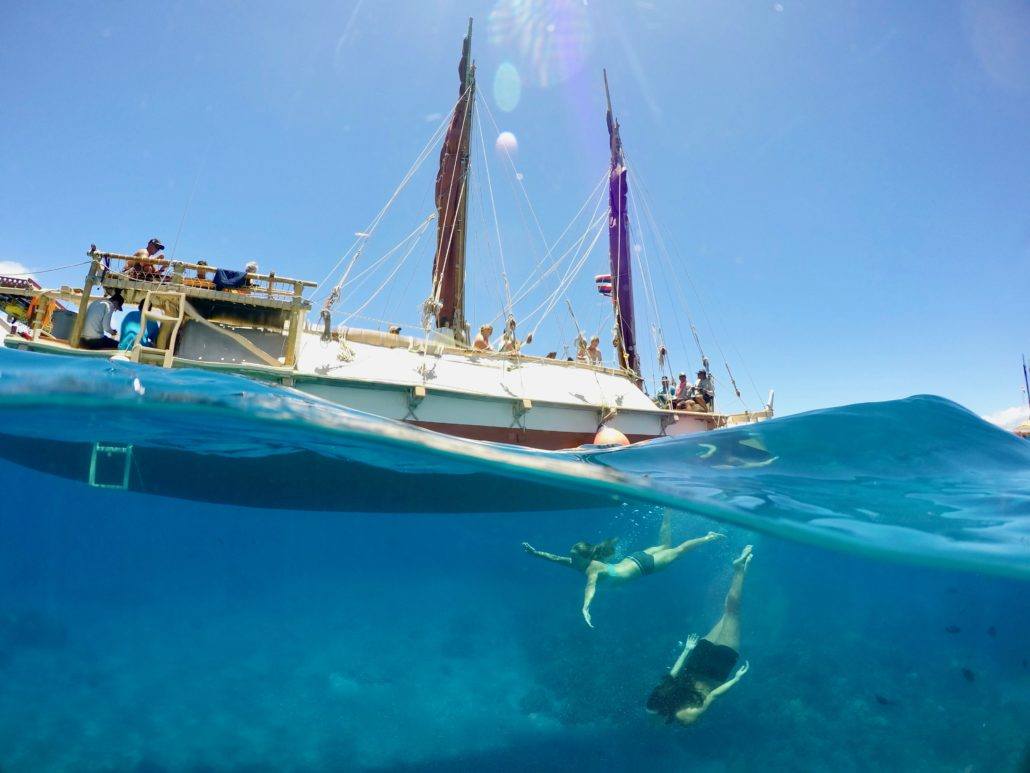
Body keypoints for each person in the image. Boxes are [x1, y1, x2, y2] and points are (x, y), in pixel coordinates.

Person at [522, 510, 724, 627]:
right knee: (665, 543)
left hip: (644, 565)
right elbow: (555, 558)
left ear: (585, 558)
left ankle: (708, 537)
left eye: (574, 556)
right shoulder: (577, 563)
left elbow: (590, 587)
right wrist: (535, 553)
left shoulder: (592, 569)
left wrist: (585, 607)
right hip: (635, 558)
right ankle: (667, 510)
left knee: (678, 550)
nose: (571, 558)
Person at [646, 546, 753, 726]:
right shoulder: (663, 693)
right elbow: (673, 673)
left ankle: (740, 569)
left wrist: (737, 678)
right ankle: (742, 569)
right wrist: (687, 649)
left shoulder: (685, 718)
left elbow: (713, 695)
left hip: (717, 668)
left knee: (733, 612)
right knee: (728, 612)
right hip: (697, 657)